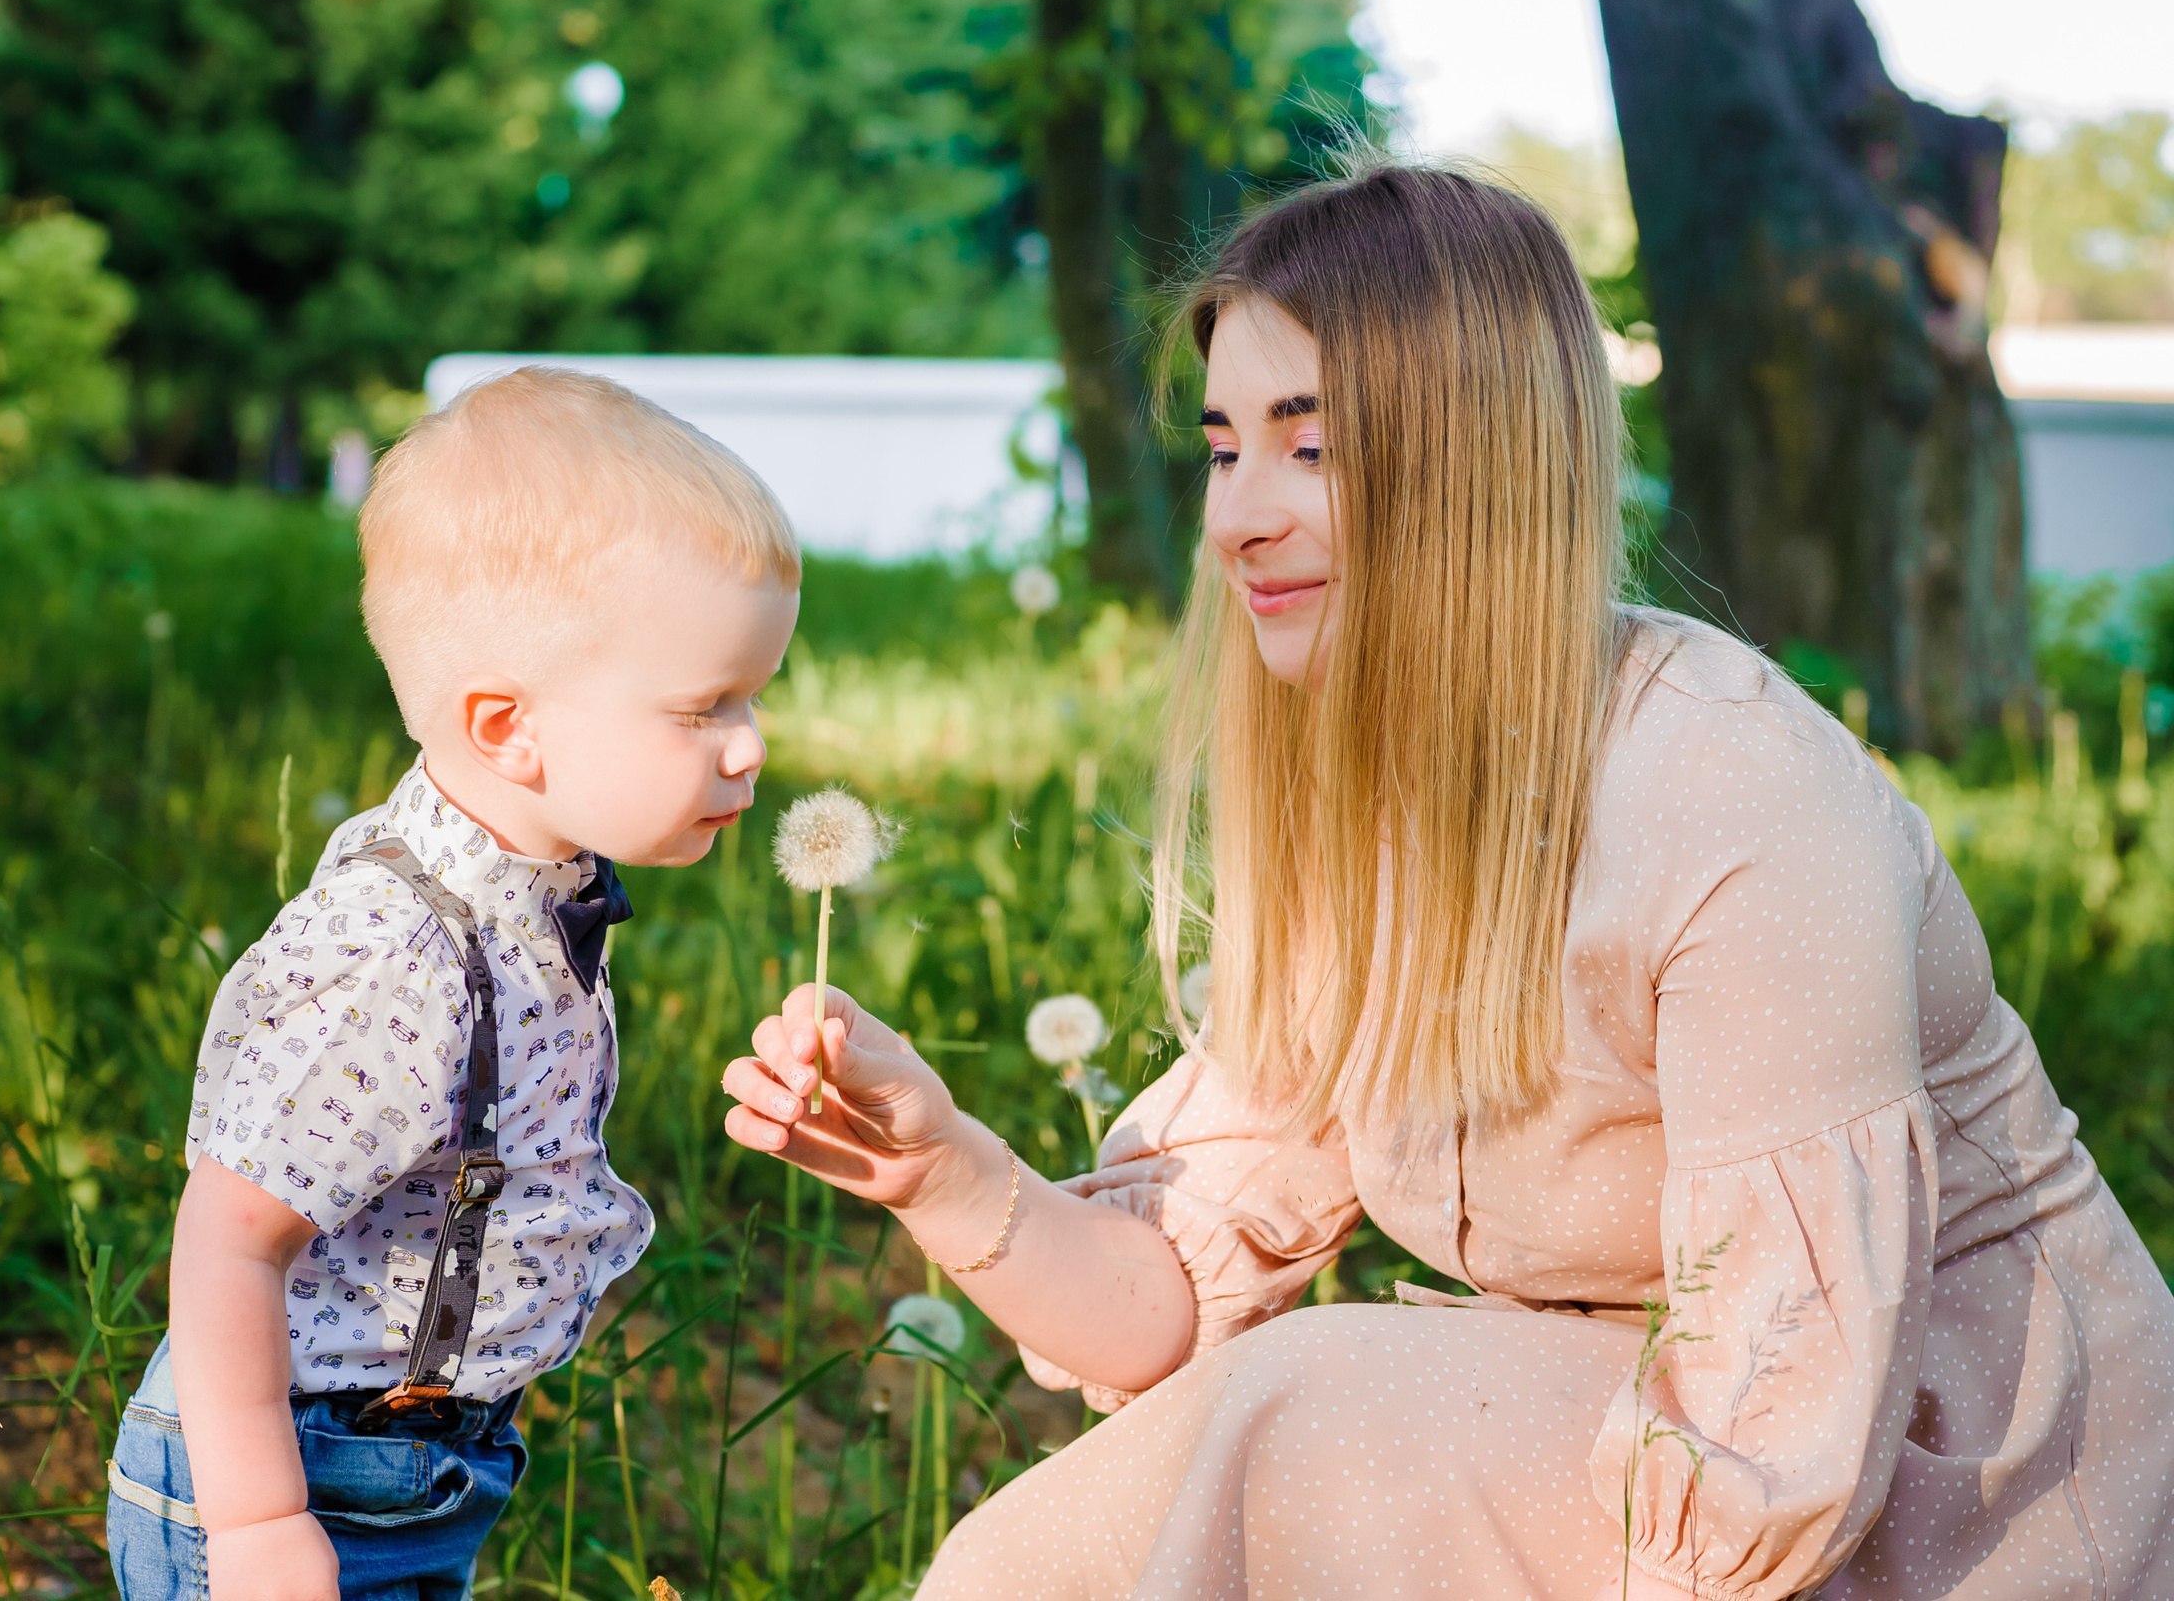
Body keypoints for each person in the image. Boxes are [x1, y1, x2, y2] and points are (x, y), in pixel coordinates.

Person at [721, 156, 2174, 1600]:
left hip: (1954, 1507)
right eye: (1226, 449)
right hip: (1650, 1441)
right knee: (1074, 1543)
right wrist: (943, 1169)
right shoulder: (1365, 801)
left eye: (1315, 445)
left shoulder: (1734, 804)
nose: (1237, 519)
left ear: (1481, 457)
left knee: (1314, 1419)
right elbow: (1156, 1311)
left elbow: (1777, 1443)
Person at [108, 368, 802, 1601]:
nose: (750, 745)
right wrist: (262, 1521)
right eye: (703, 708)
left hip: (415, 1467)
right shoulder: (400, 958)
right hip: (290, 1468)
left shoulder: (527, 885)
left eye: (754, 697)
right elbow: (226, 1238)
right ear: (506, 728)